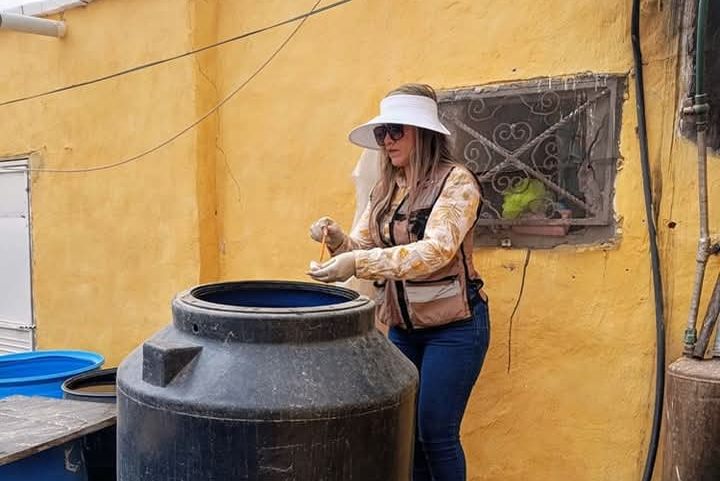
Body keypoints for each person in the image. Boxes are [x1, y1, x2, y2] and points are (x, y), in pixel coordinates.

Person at [307, 83, 490, 481]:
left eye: (395, 130)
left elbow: (435, 252)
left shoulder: (457, 182)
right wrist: (337, 240)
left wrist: (357, 261)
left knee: (436, 434)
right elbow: (360, 247)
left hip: (455, 327)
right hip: (403, 330)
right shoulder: (387, 189)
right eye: (381, 132)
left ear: (421, 133)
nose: (386, 141)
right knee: (408, 435)